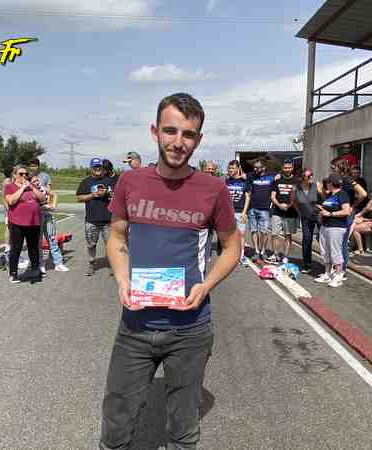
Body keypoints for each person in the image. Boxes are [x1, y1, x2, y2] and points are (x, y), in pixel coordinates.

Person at [101, 92, 240, 450]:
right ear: (155, 132)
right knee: (116, 421)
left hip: (190, 329)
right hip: (135, 325)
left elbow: (232, 247)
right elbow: (116, 236)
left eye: (188, 134)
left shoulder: (214, 188)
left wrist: (206, 285)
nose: (179, 143)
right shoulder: (131, 182)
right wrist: (122, 278)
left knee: (182, 427)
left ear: (199, 139)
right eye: (170, 131)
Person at [4, 165, 46, 283]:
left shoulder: (31, 186)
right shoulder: (9, 187)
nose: (24, 176)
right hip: (17, 223)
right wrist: (22, 188)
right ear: (14, 175)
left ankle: (35, 270)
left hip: (34, 222)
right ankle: (13, 273)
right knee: (16, 248)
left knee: (33, 248)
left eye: (26, 174)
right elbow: (11, 200)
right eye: (21, 174)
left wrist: (31, 188)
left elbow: (42, 198)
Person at [76, 157, 116, 276]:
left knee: (110, 245)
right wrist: (92, 195)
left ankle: (113, 265)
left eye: (99, 167)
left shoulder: (109, 181)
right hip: (91, 220)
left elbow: (117, 196)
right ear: (91, 168)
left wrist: (107, 193)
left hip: (108, 220)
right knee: (91, 244)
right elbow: (79, 198)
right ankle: (91, 264)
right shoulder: (86, 181)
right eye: (95, 167)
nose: (98, 169)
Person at [30, 159, 68, 273]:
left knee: (52, 238)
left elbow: (53, 194)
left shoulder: (43, 186)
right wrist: (41, 207)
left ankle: (58, 263)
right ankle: (40, 264)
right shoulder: (29, 191)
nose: (37, 182)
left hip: (47, 215)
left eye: (38, 181)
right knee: (38, 241)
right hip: (37, 217)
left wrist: (53, 205)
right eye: (34, 181)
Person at [314, 173, 351, 287]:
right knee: (326, 251)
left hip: (336, 227)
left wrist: (330, 213)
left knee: (335, 252)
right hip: (326, 226)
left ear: (331, 183)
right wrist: (321, 208)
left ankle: (338, 275)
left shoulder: (342, 194)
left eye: (327, 183)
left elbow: (346, 211)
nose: (326, 185)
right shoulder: (330, 195)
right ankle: (327, 273)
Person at [331, 157, 367, 272]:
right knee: (336, 240)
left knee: (342, 241)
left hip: (346, 214)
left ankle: (342, 269)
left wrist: (353, 206)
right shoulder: (337, 179)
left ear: (339, 167)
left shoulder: (347, 179)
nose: (331, 169)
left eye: (333, 167)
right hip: (338, 213)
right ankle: (337, 266)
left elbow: (363, 193)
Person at [242, 159, 275, 263]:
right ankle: (256, 251)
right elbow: (242, 180)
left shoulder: (271, 176)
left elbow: (283, 175)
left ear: (264, 168)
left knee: (264, 232)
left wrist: (279, 176)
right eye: (254, 167)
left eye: (258, 167)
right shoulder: (251, 176)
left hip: (265, 209)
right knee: (253, 230)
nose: (255, 169)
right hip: (252, 208)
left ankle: (263, 251)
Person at [293, 168, 324, 273]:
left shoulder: (317, 185)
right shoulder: (296, 188)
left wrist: (321, 194)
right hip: (306, 217)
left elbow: (325, 198)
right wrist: (299, 212)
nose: (310, 177)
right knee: (306, 240)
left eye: (311, 175)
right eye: (308, 175)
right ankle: (307, 264)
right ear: (303, 177)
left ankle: (329, 264)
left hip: (319, 216)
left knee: (323, 239)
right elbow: (293, 202)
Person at [270, 160, 300, 263]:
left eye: (289, 167)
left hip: (290, 212)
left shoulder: (296, 181)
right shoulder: (277, 179)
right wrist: (279, 205)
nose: (287, 169)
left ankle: (286, 256)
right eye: (285, 167)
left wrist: (288, 205)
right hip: (277, 211)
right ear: (283, 168)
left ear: (292, 168)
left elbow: (296, 197)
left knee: (288, 235)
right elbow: (273, 196)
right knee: (274, 234)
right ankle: (276, 254)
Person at [225, 159, 248, 263]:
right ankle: (231, 253)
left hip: (240, 212)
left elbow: (248, 197)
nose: (231, 170)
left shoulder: (244, 181)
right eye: (229, 168)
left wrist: (244, 212)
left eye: (233, 168)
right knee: (229, 234)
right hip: (229, 212)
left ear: (238, 169)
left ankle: (241, 255)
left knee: (241, 234)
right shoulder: (226, 181)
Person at [351, 185, 372, 256]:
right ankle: (353, 245)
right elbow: (366, 209)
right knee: (354, 221)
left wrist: (365, 220)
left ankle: (360, 249)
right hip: (371, 221)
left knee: (355, 229)